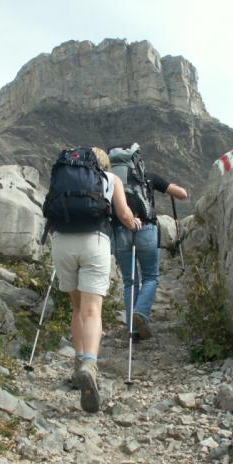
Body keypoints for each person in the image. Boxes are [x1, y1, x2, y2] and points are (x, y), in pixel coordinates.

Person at [49, 147, 140, 413]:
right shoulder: (111, 179)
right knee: (92, 310)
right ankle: (89, 364)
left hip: (62, 242)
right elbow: (124, 215)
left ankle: (79, 362)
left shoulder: (65, 178)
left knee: (77, 307)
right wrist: (135, 223)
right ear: (105, 164)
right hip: (94, 242)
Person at [111, 149, 188, 342]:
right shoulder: (148, 177)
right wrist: (172, 187)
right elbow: (182, 194)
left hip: (120, 231)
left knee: (129, 282)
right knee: (151, 277)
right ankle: (141, 312)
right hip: (146, 230)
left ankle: (132, 330)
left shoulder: (110, 180)